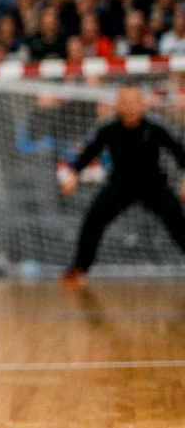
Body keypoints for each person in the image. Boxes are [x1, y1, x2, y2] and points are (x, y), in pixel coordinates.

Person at [60, 85, 185, 287]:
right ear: (118, 104)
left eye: (133, 101)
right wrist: (73, 174)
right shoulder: (108, 128)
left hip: (153, 183)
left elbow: (180, 154)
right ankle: (80, 267)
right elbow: (90, 152)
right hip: (120, 184)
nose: (129, 106)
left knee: (179, 224)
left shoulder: (157, 127)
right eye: (124, 102)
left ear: (142, 103)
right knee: (94, 220)